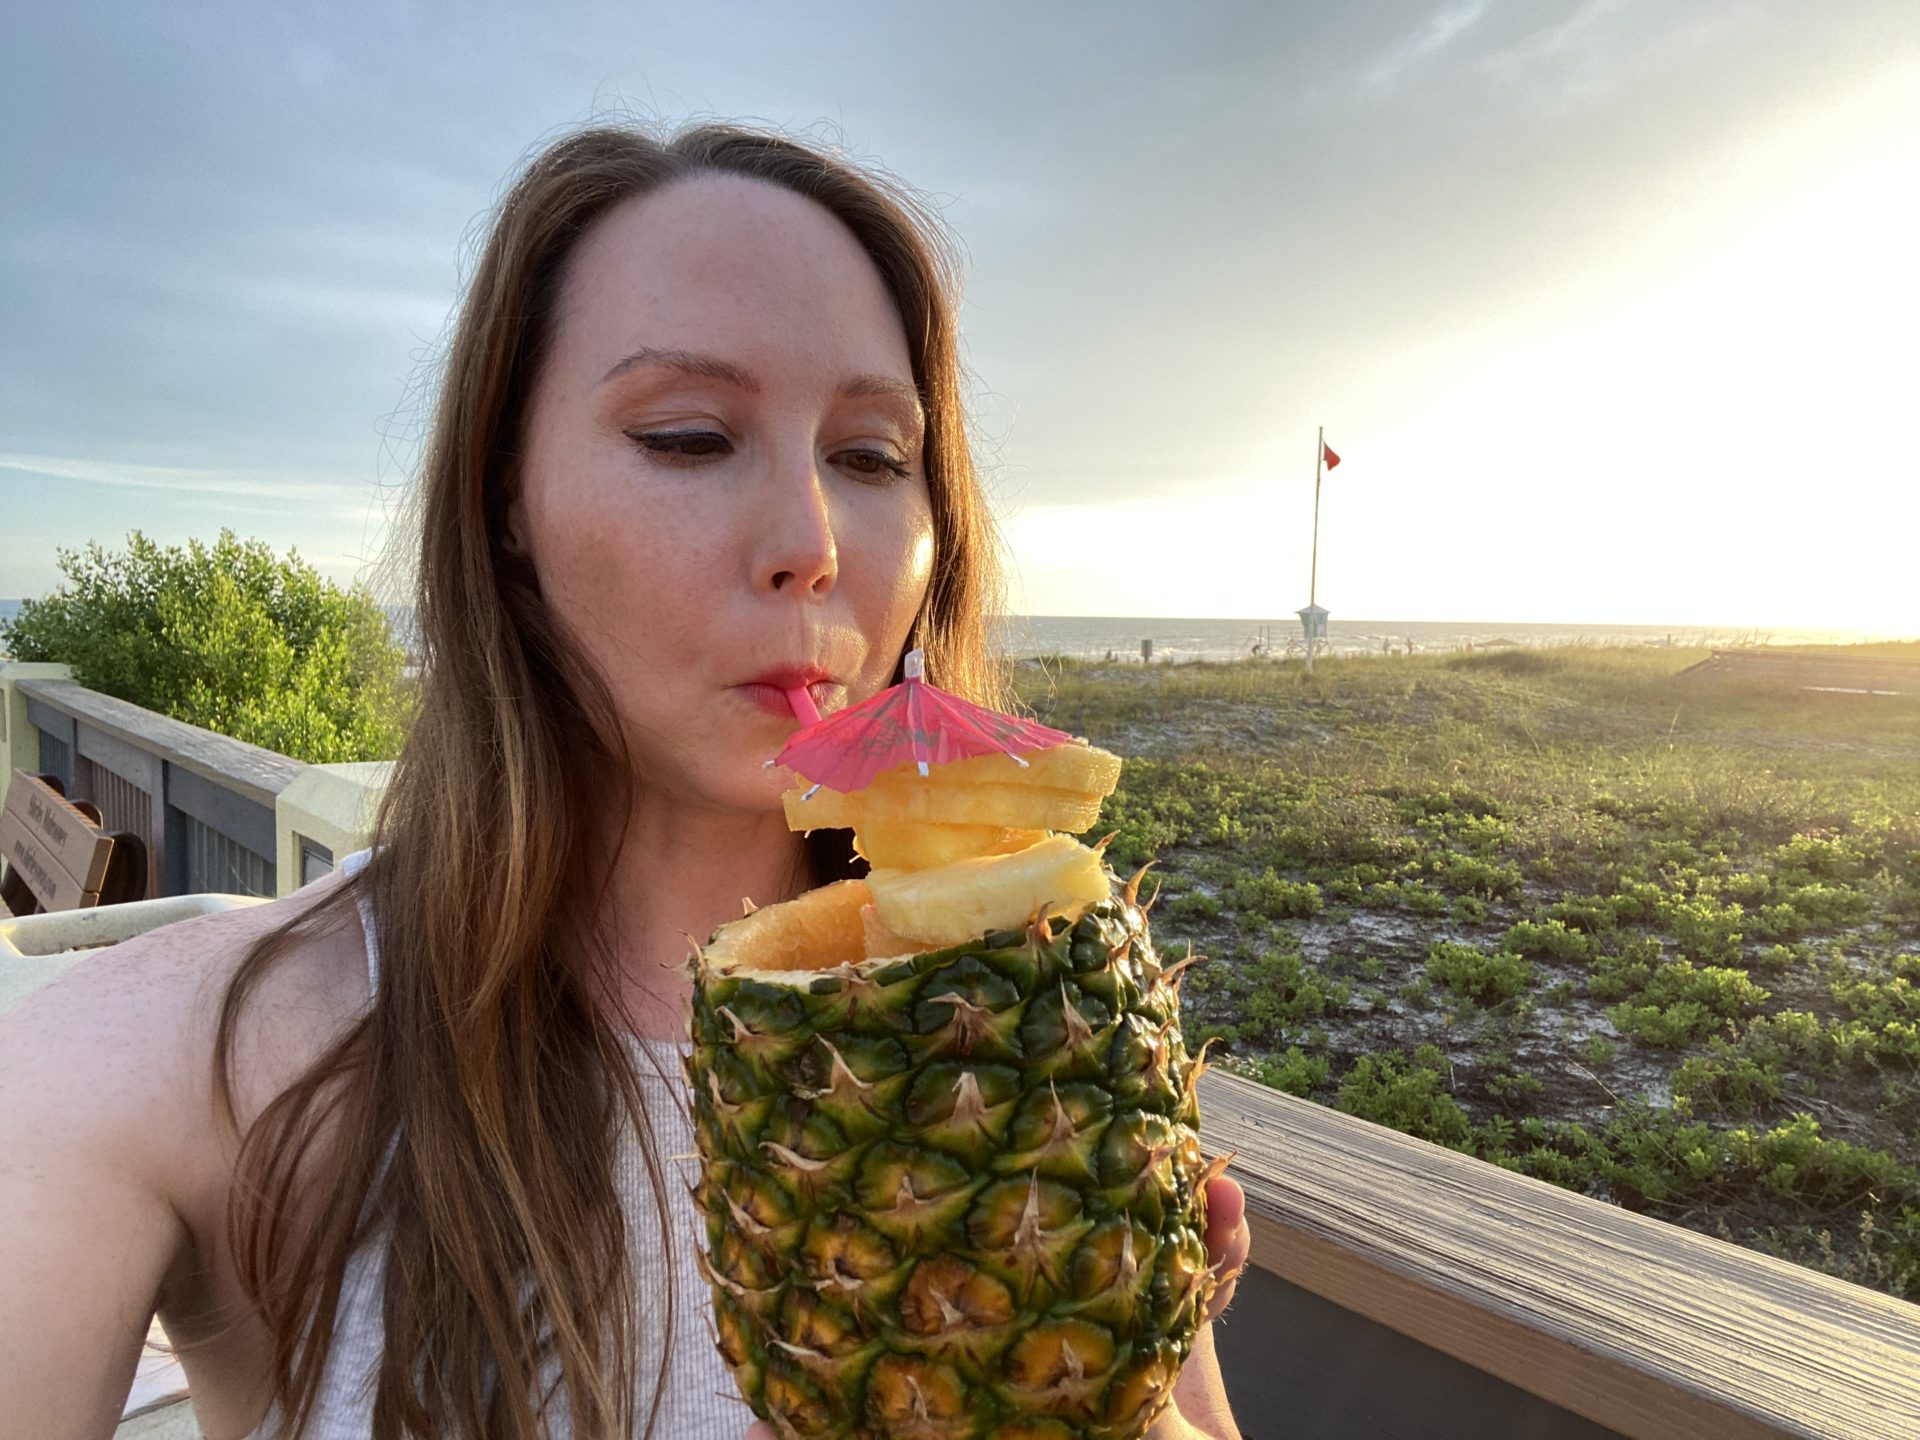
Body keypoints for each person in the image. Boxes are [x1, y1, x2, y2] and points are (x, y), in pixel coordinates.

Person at [0, 123, 1249, 1439]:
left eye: (874, 456)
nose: (812, 546)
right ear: (506, 509)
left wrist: (1120, 1393)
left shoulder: (1041, 998)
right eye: (690, 435)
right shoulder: (157, 1065)